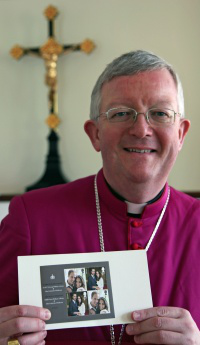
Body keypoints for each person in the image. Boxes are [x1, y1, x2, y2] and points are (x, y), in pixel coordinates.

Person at [0, 49, 200, 345]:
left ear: (181, 134)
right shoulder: (32, 217)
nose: (141, 129)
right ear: (95, 134)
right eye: (121, 113)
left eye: (160, 113)